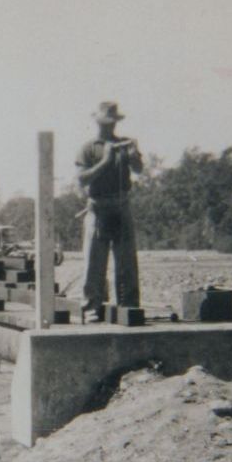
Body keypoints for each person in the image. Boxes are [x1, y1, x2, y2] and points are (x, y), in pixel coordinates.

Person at [75, 101, 143, 321]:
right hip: (98, 207)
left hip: (121, 206)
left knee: (127, 261)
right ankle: (91, 308)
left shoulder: (125, 143)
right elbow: (81, 178)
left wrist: (134, 156)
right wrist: (105, 161)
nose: (109, 127)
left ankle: (129, 306)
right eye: (105, 122)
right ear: (98, 122)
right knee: (94, 261)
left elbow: (139, 170)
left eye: (112, 123)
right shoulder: (88, 147)